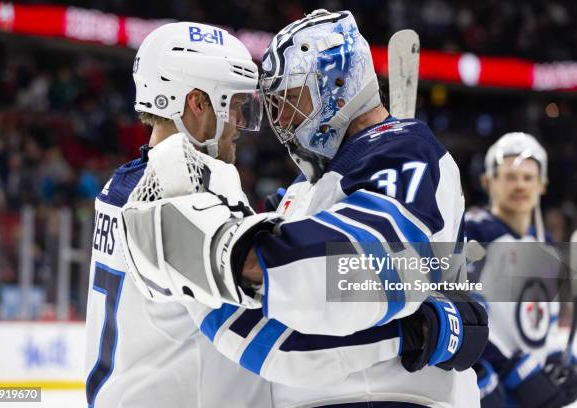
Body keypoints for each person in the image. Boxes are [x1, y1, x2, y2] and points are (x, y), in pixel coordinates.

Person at [120, 10, 489, 407]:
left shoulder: (407, 153)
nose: (279, 119)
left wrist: (231, 254)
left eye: (291, 98)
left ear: (339, 83)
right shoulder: (307, 187)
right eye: (275, 104)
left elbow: (347, 272)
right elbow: (284, 334)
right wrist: (424, 327)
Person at [83, 22, 272, 408]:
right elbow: (274, 274)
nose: (239, 124)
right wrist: (401, 268)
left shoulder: (124, 184)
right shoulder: (179, 189)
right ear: (198, 103)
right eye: (234, 104)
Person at [466, 132, 577, 408]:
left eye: (528, 178)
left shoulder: (548, 250)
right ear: (488, 181)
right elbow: (457, 307)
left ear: (542, 185)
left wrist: (557, 359)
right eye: (510, 177)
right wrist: (496, 367)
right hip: (489, 390)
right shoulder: (473, 233)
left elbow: (543, 321)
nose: (520, 186)